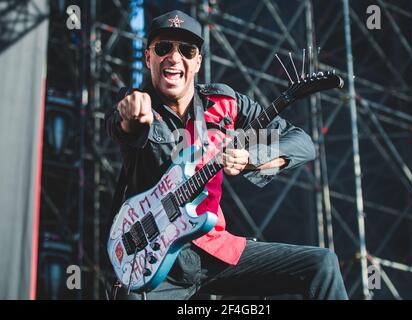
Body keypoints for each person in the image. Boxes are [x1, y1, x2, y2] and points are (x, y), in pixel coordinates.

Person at [105, 10, 348, 300]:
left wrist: (251, 157)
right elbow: (125, 128)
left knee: (321, 265)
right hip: (156, 268)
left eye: (186, 49)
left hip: (215, 252)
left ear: (197, 62)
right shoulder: (138, 105)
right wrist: (131, 115)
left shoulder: (224, 103)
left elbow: (302, 143)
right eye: (163, 48)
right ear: (149, 58)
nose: (174, 56)